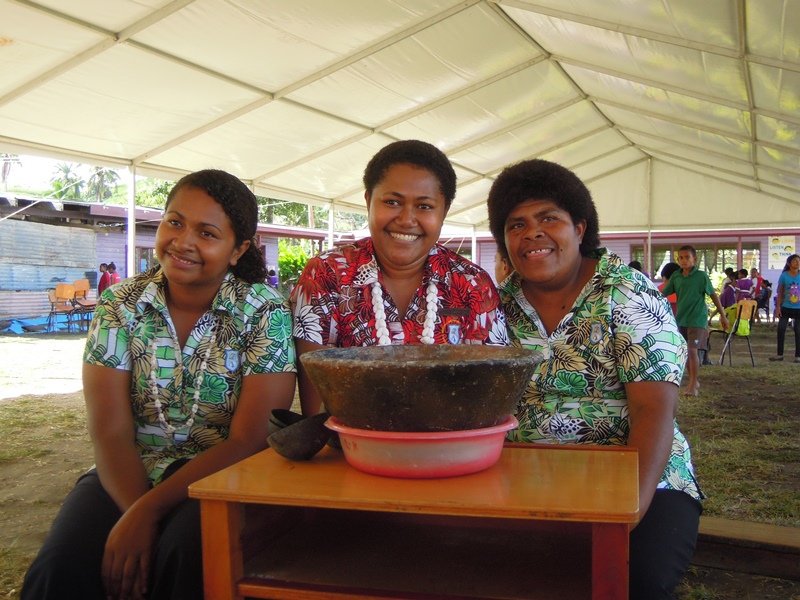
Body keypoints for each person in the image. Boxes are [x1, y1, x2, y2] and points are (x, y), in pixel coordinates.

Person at [22, 169, 297, 600]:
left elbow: (250, 439)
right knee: (59, 569)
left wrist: (149, 513)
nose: (183, 241)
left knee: (183, 556)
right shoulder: (120, 305)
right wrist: (137, 511)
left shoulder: (264, 313)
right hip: (128, 468)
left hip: (220, 474)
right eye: (175, 222)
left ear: (238, 249)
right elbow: (110, 431)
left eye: (206, 233)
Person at [486, 159, 703, 600]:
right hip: (525, 477)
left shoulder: (626, 294)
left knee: (634, 580)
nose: (532, 233)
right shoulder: (495, 305)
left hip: (639, 475)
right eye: (516, 225)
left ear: (581, 227)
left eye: (549, 218)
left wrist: (628, 514)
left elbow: (653, 410)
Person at [290, 139, 508, 416]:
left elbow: (489, 396)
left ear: (445, 209)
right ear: (368, 200)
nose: (406, 219)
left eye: (425, 206)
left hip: (451, 448)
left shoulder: (472, 283)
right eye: (392, 202)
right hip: (349, 449)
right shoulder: (327, 275)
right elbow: (319, 409)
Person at [663, 246, 728, 396]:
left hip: (697, 320)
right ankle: (693, 380)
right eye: (681, 258)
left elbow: (713, 295)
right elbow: (662, 293)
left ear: (695, 259)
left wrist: (723, 315)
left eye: (687, 257)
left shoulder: (701, 276)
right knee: (685, 352)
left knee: (692, 351)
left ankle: (693, 384)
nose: (684, 260)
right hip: (681, 320)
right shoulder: (676, 277)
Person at [769, 253, 800, 362]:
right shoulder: (784, 275)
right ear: (789, 263)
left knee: (798, 330)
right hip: (786, 307)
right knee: (781, 329)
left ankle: (798, 356)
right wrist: (777, 308)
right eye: (795, 261)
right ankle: (780, 355)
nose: (798, 263)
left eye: (799, 261)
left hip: (798, 308)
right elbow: (780, 293)